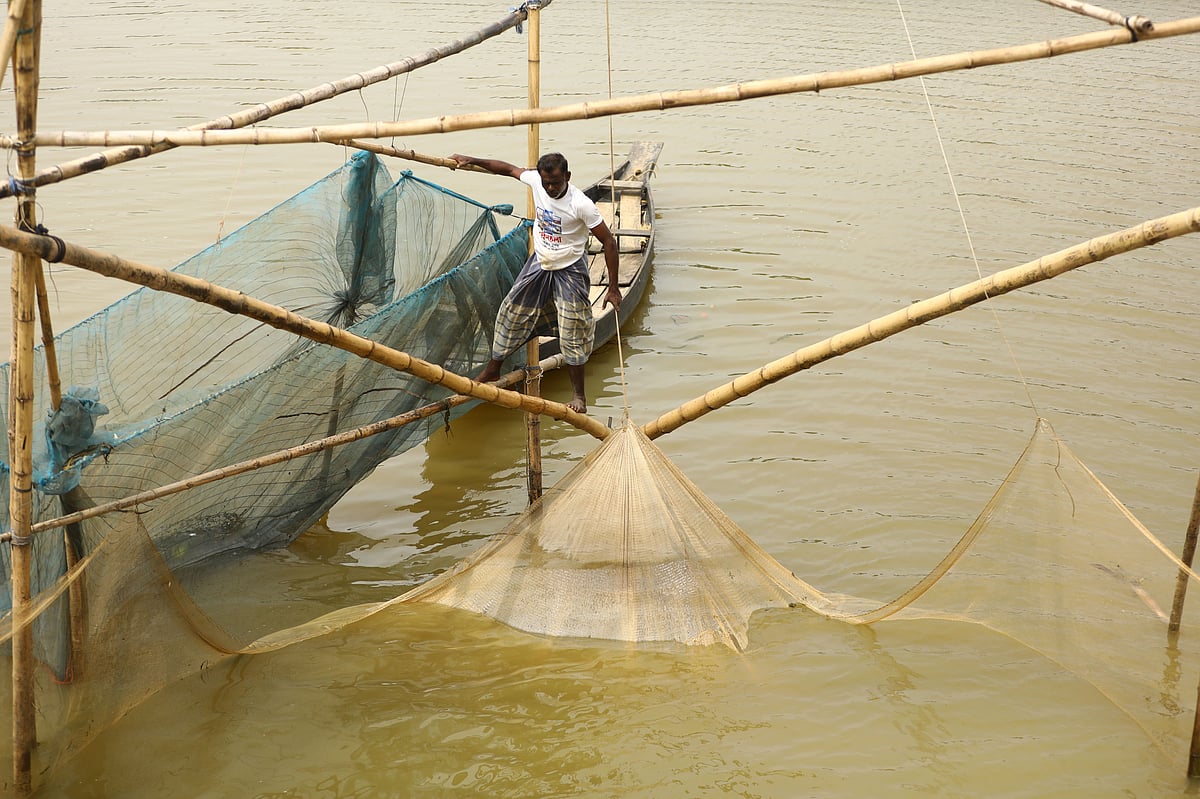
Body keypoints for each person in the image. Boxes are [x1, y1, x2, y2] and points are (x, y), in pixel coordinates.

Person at [451, 151, 620, 414]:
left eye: (556, 183)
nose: (550, 188)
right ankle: (493, 369)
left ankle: (579, 396)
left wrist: (613, 288)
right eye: (546, 183)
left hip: (570, 269)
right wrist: (472, 160)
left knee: (572, 328)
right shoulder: (536, 182)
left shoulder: (581, 204)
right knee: (510, 312)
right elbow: (507, 168)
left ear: (568, 176)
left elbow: (609, 242)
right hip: (540, 263)